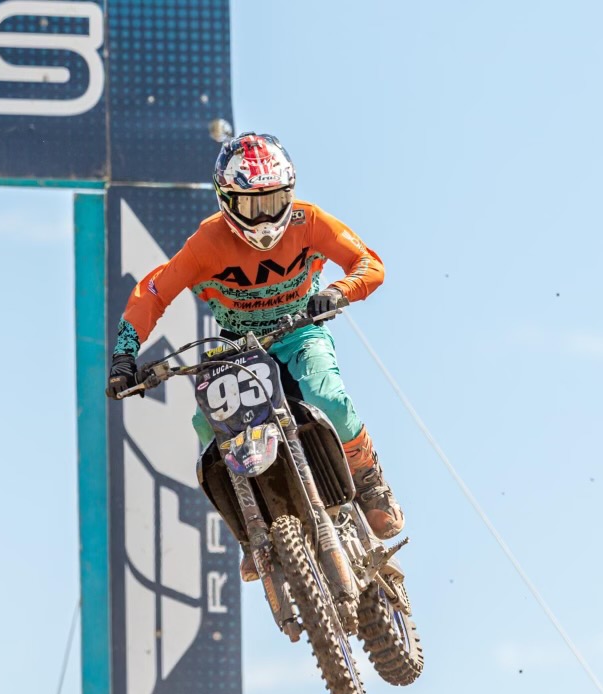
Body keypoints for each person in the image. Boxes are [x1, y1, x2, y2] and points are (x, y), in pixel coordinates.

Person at [105, 132, 403, 579]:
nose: (265, 218)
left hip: (299, 330)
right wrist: (125, 356)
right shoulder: (206, 242)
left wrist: (340, 291)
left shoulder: (309, 220)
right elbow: (153, 291)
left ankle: (369, 479)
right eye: (252, 205)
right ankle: (252, 529)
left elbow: (369, 262)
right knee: (208, 428)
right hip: (238, 346)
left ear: (291, 192)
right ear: (227, 201)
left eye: (275, 201)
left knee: (327, 398)